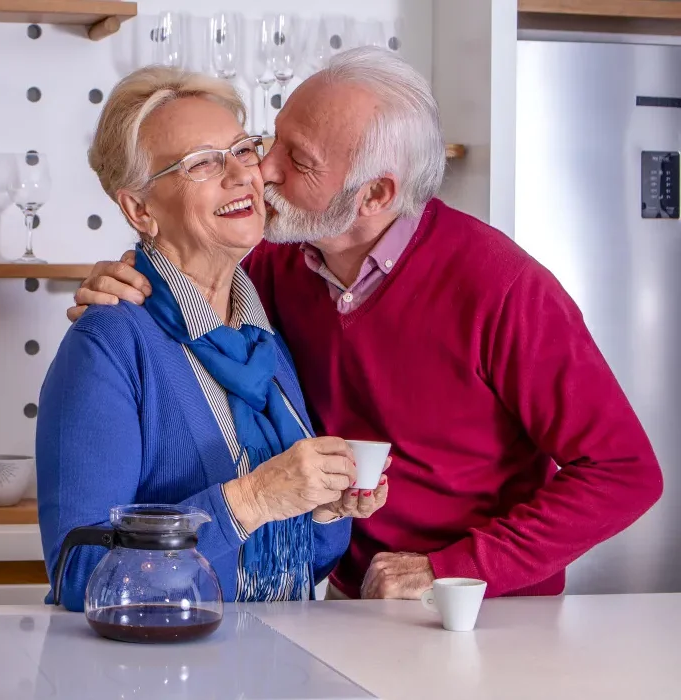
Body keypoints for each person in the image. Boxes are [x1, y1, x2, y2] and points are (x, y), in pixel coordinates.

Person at [67, 46, 664, 600]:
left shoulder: (502, 288)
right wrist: (130, 274)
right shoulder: (277, 266)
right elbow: (185, 261)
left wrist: (450, 569)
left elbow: (624, 473)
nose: (262, 171)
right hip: (348, 610)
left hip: (484, 614)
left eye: (297, 160)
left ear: (374, 195)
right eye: (267, 142)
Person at [37, 65, 391, 613]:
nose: (240, 175)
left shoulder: (261, 338)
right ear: (138, 209)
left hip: (276, 664)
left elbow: (297, 569)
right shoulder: (108, 342)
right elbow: (81, 576)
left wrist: (325, 506)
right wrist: (255, 498)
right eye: (201, 162)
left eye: (243, 150)